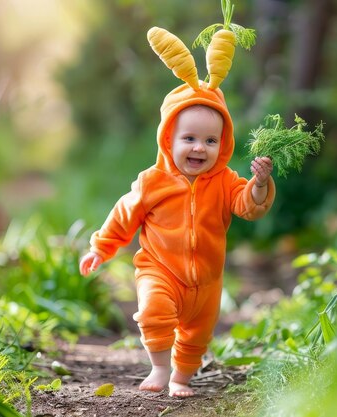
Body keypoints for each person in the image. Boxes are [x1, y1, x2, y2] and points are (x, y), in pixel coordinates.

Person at [79, 80, 275, 397]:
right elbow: (123, 215)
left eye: (211, 140)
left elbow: (248, 206)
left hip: (207, 280)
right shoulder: (152, 182)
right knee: (154, 310)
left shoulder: (226, 182)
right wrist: (100, 248)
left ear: (223, 144)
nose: (200, 147)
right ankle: (159, 367)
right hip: (160, 269)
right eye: (189, 138)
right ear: (169, 139)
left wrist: (260, 184)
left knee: (197, 335)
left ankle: (181, 377)